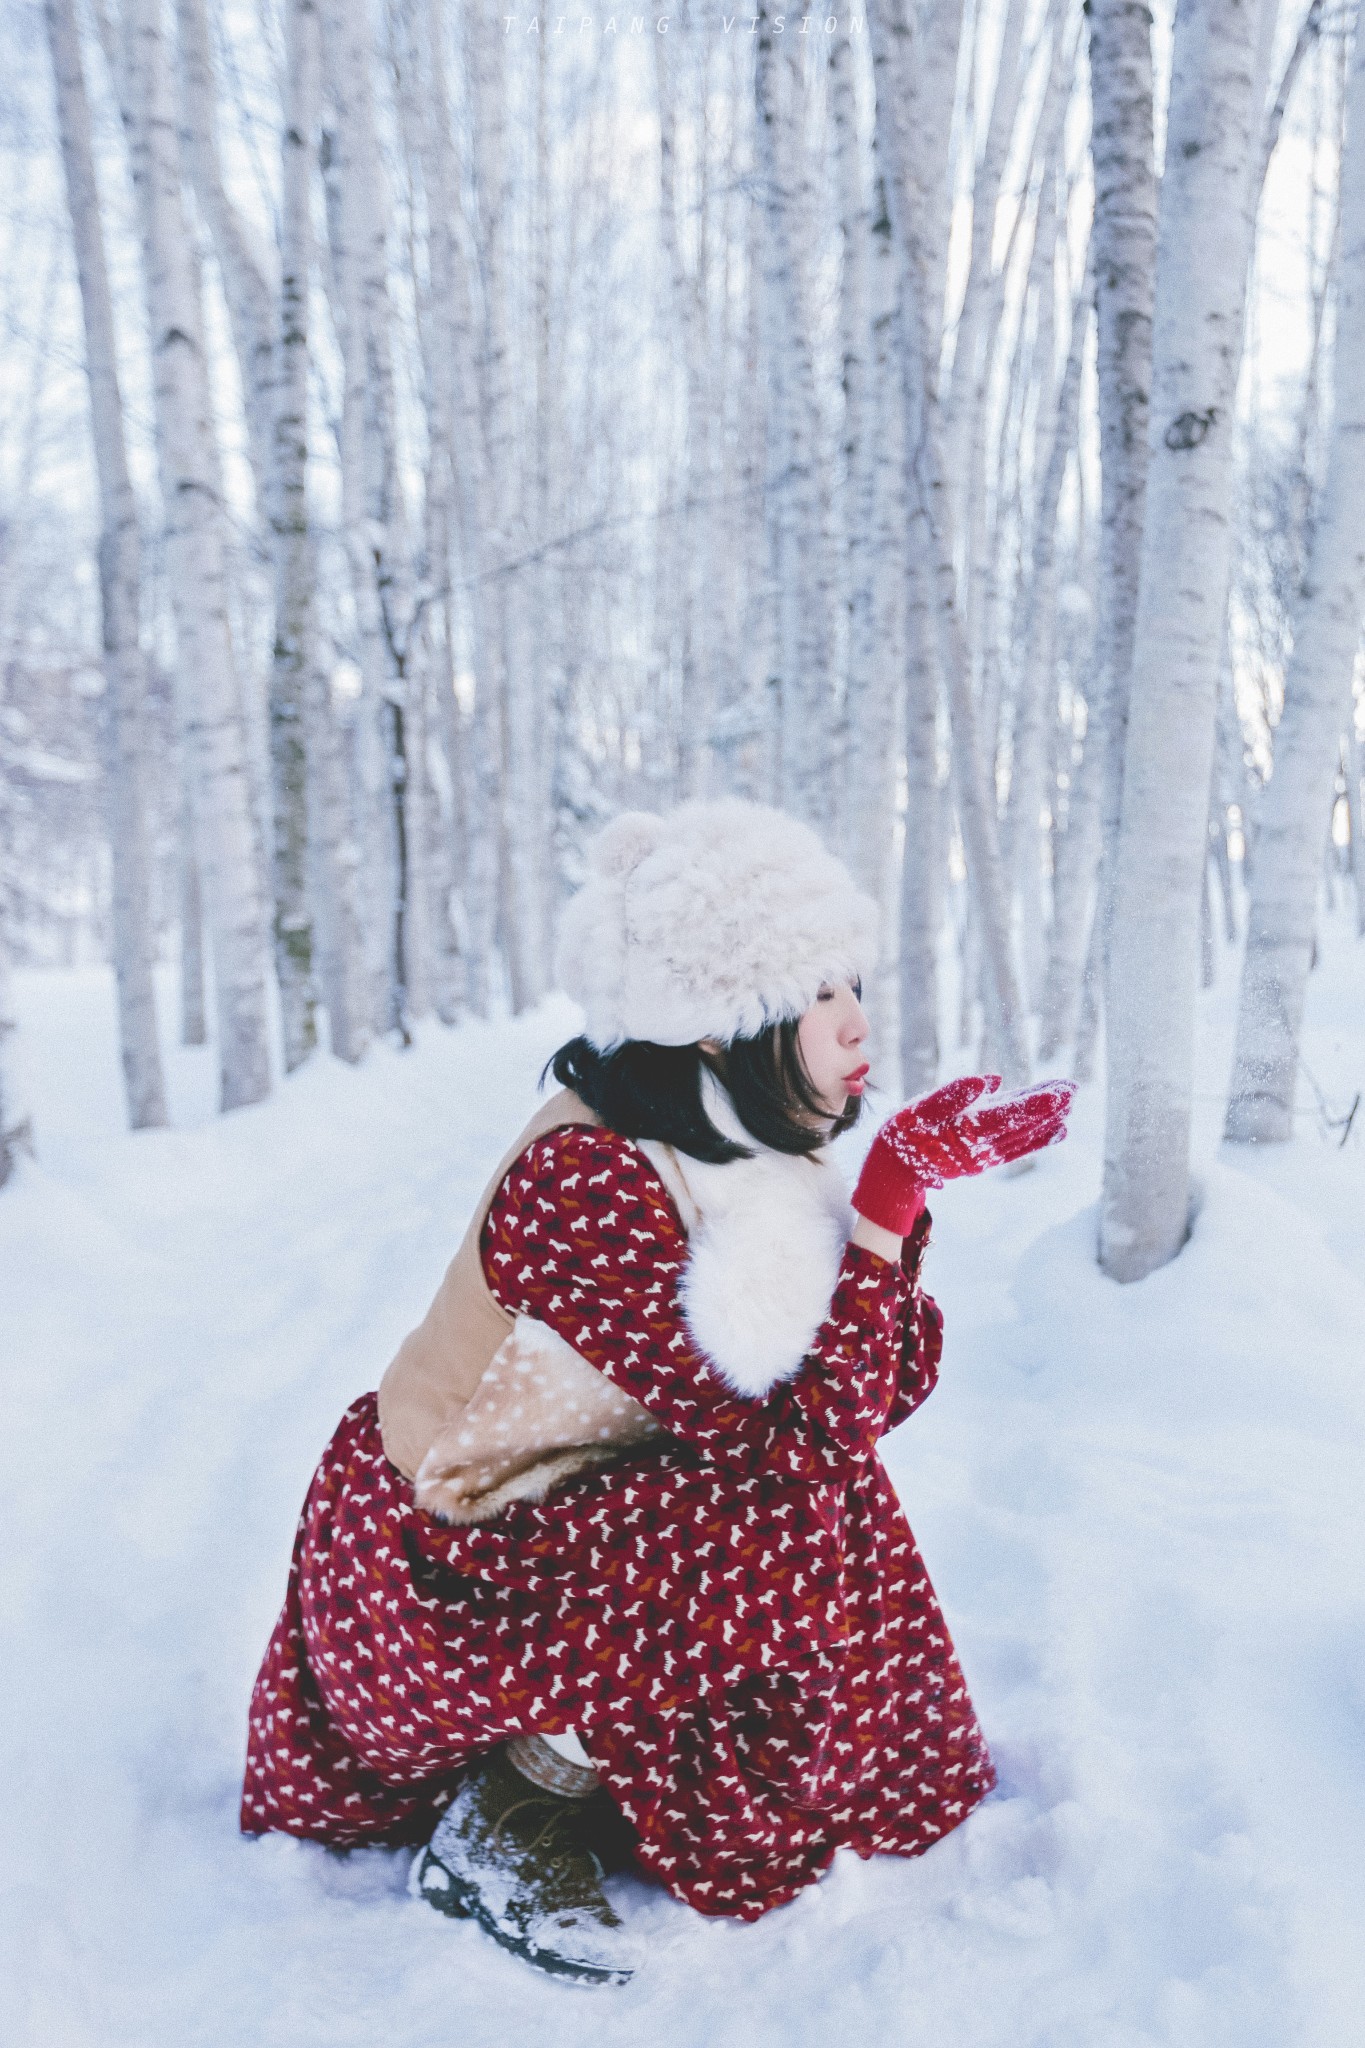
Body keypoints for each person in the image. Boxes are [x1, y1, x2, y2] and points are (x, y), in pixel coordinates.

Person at [240, 798, 1073, 1987]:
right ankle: (519, 1804)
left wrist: (892, 1219)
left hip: (573, 1522)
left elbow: (879, 1382)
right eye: (818, 991)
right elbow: (793, 1440)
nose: (857, 1022)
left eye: (851, 983)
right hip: (439, 1562)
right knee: (783, 1507)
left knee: (824, 1494)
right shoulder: (582, 1182)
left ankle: (658, 1764)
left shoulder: (750, 1147)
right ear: (721, 1028)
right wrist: (884, 1210)